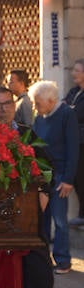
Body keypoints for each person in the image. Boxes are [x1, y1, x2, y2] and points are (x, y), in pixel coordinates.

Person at [0, 85, 70, 288]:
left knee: (40, 277)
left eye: (7, 103)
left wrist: (44, 194)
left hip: (27, 223)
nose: (3, 108)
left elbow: (47, 167)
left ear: (14, 104)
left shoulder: (26, 134)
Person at [30, 80, 79, 274]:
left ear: (50, 100)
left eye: (38, 103)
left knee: (60, 221)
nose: (35, 107)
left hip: (59, 176)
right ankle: (45, 259)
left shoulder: (67, 114)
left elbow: (73, 148)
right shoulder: (39, 116)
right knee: (44, 218)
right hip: (43, 176)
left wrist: (68, 179)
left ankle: (63, 260)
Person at [64, 58, 84, 227]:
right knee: (76, 177)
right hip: (73, 142)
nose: (73, 74)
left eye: (77, 71)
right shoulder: (73, 92)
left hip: (82, 142)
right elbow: (64, 109)